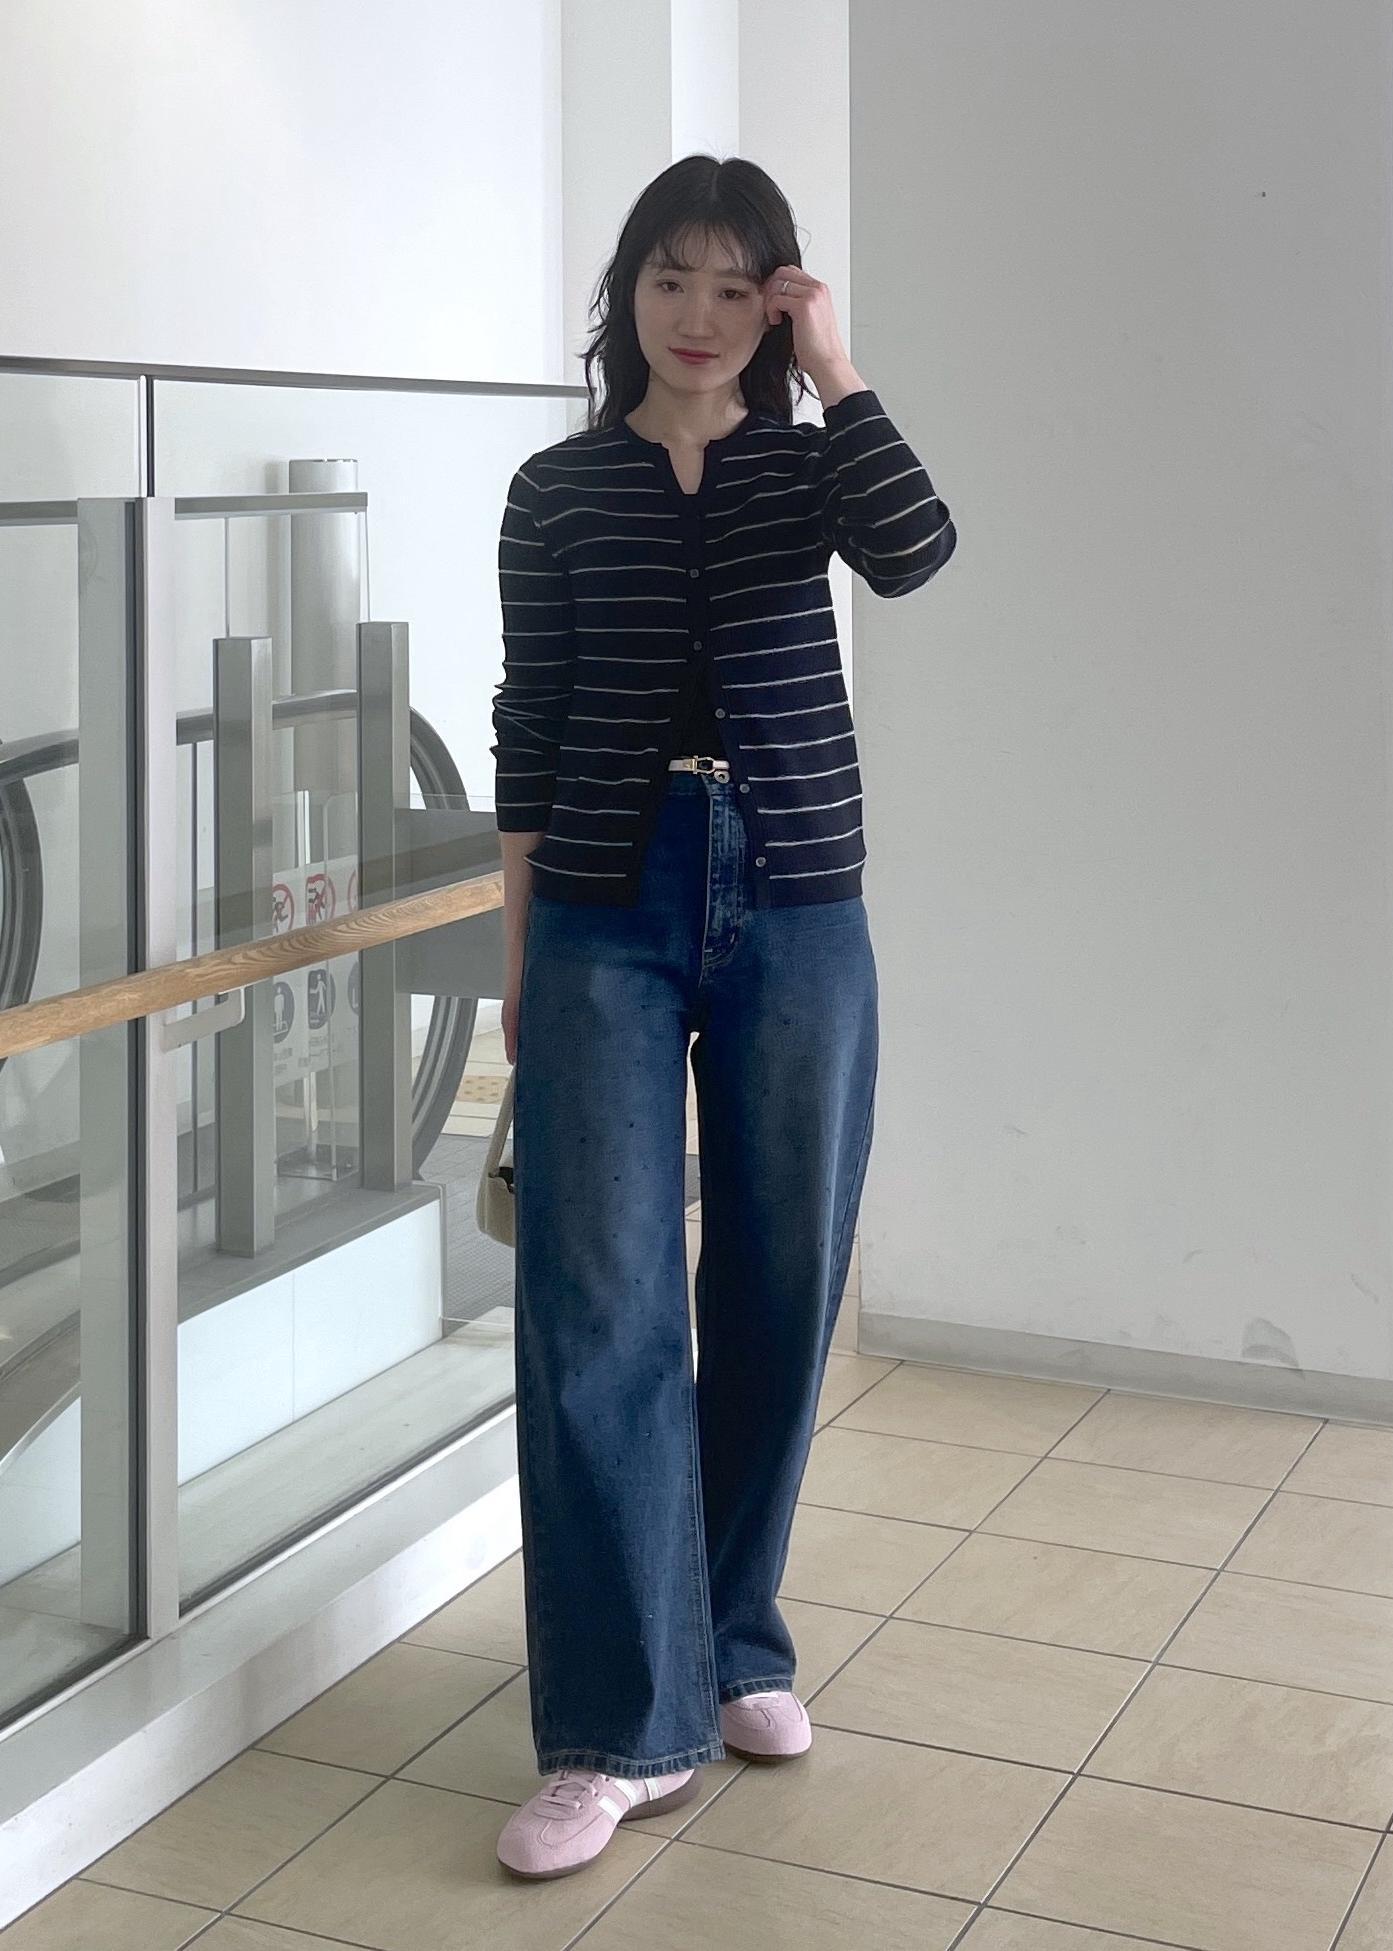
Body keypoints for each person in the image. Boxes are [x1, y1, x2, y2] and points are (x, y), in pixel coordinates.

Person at [490, 154, 956, 1879]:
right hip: (602, 908)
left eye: (734, 283)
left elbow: (916, 554)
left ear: (776, 298)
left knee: (776, 1279)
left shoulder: (808, 466)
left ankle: (735, 1640)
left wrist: (836, 370)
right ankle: (614, 1731)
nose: (697, 315)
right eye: (667, 279)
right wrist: (522, 962)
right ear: (626, 293)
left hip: (799, 900)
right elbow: (529, 721)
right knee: (597, 1306)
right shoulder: (555, 488)